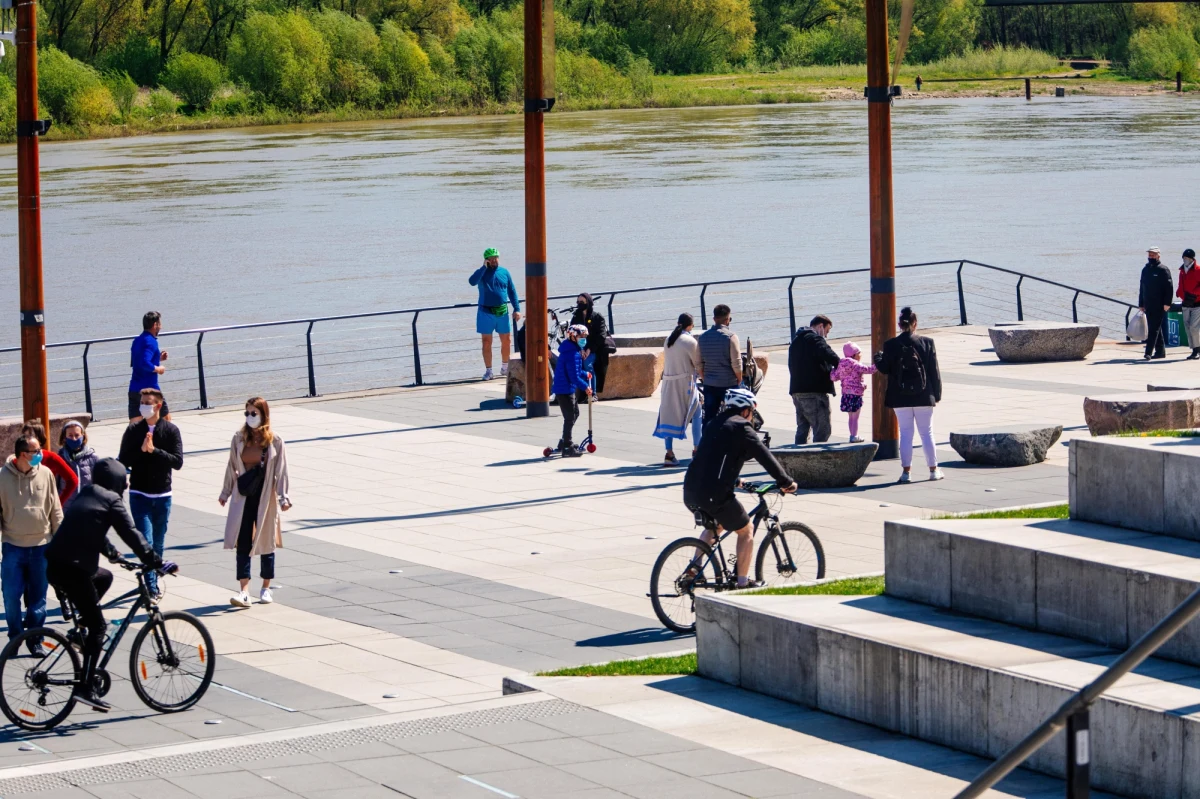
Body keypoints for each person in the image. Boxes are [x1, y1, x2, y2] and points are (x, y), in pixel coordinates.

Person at [45, 458, 174, 713]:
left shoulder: (89, 492)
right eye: (123, 482)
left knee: (104, 577)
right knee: (100, 626)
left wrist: (113, 554)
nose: (125, 487)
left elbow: (92, 528)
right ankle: (85, 688)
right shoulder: (112, 500)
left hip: (56, 566)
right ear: (117, 482)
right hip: (73, 569)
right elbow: (132, 534)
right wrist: (156, 562)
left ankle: (80, 632)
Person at [682, 388, 797, 588]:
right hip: (714, 494)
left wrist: (736, 481)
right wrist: (786, 481)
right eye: (752, 411)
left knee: (716, 525)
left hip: (691, 490)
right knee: (746, 530)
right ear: (745, 410)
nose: (752, 416)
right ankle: (742, 584)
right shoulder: (742, 428)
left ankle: (695, 567)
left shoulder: (714, 423)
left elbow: (716, 459)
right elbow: (765, 456)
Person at [220, 398, 292, 608]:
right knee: (243, 541)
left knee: (267, 541)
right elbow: (231, 465)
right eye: (247, 413)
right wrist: (225, 492)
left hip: (265, 496)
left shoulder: (275, 441)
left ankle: (266, 588)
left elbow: (282, 471)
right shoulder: (239, 438)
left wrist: (283, 497)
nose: (249, 417)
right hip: (242, 496)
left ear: (263, 415)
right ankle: (243, 591)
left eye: (253, 413)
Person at [118, 388, 183, 600]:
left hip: (163, 495)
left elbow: (177, 462)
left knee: (158, 542)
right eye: (142, 401)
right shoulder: (133, 430)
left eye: (148, 402)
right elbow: (123, 460)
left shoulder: (171, 430)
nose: (143, 405)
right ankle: (151, 588)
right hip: (139, 493)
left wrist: (154, 450)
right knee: (145, 541)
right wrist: (142, 450)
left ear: (158, 405)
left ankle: (153, 577)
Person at [0, 435, 62, 656]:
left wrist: (59, 542)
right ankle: (15, 637)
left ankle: (35, 639)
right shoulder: (2, 477)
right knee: (10, 597)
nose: (41, 454)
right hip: (13, 547)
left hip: (41, 546)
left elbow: (55, 509)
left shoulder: (45, 474)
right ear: (22, 454)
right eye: (36, 451)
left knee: (38, 599)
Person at [876, 307, 943, 483]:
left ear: (899, 325)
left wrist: (878, 358)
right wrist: (936, 395)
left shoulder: (890, 345)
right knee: (927, 433)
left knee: (905, 433)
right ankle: (933, 470)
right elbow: (934, 372)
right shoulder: (927, 343)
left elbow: (884, 369)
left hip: (900, 396)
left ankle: (906, 473)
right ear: (915, 324)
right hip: (923, 394)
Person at [654, 313, 703, 467]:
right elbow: (698, 364)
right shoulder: (689, 341)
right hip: (685, 384)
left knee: (669, 415)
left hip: (668, 383)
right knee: (697, 414)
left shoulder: (669, 339)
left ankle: (669, 454)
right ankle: (697, 450)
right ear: (691, 325)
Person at [469, 248, 521, 381]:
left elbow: (512, 290)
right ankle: (489, 371)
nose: (493, 261)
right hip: (485, 312)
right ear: (486, 260)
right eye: (490, 259)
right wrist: (483, 268)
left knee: (507, 340)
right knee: (486, 342)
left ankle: (504, 367)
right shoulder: (481, 272)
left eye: (495, 258)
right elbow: (472, 282)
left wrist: (517, 308)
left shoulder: (504, 272)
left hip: (502, 311)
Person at [788, 315, 841, 444]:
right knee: (822, 429)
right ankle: (818, 460)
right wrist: (843, 366)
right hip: (813, 393)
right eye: (827, 331)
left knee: (802, 429)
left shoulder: (796, 341)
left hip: (797, 391)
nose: (826, 336)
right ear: (820, 326)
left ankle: (798, 459)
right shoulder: (815, 339)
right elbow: (829, 354)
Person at [551, 324, 593, 458]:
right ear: (573, 337)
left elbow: (575, 371)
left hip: (565, 388)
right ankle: (567, 446)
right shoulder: (572, 353)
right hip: (564, 390)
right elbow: (573, 376)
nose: (584, 339)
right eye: (581, 337)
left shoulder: (572, 350)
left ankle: (564, 441)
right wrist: (585, 387)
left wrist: (585, 374)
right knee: (570, 417)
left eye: (585, 337)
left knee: (574, 414)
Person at [697, 305, 742, 424]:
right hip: (728, 383)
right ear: (727, 319)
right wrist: (739, 379)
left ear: (714, 319)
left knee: (709, 418)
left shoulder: (702, 337)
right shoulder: (731, 337)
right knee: (735, 416)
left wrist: (704, 378)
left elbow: (698, 363)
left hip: (710, 384)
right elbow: (736, 362)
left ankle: (706, 441)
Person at [21, 421, 78, 507]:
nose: (27, 441)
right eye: (25, 437)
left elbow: (73, 480)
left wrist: (58, 503)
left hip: (44, 507)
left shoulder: (51, 458)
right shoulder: (19, 457)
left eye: (31, 437)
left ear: (40, 439)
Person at [832, 342, 877, 443]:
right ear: (854, 354)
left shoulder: (841, 365)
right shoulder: (856, 364)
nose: (861, 355)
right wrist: (879, 363)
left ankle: (852, 435)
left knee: (851, 417)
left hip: (846, 394)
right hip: (856, 394)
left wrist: (832, 370)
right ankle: (854, 436)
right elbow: (869, 370)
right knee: (856, 417)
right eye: (859, 353)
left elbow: (834, 377)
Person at [129, 311, 170, 420]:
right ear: (155, 325)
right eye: (159, 324)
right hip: (151, 391)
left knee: (134, 427)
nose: (161, 327)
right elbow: (144, 363)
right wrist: (158, 369)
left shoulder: (137, 341)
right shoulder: (151, 341)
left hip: (134, 389)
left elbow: (136, 362)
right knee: (166, 420)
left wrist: (158, 358)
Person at [570, 293, 613, 395]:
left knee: (587, 364)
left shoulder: (597, 317)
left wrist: (589, 349)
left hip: (594, 349)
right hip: (579, 348)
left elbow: (601, 336)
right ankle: (574, 393)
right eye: (578, 302)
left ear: (588, 303)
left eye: (582, 302)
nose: (579, 304)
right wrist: (580, 349)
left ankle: (592, 394)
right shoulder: (576, 316)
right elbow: (571, 333)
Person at [1140, 246, 1174, 361]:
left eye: (1153, 255)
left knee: (1153, 328)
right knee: (1156, 328)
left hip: (1160, 305)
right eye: (1150, 255)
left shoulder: (1163, 269)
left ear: (1158, 255)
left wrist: (1167, 303)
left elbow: (1169, 288)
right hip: (1148, 304)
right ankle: (1160, 352)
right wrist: (1141, 303)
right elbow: (1142, 287)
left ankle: (1148, 352)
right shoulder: (1145, 269)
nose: (1151, 256)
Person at [57, 421, 98, 503]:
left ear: (83, 436)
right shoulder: (59, 458)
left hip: (86, 506)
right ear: (64, 437)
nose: (74, 439)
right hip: (65, 508)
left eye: (77, 435)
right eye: (70, 435)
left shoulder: (92, 457)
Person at [1178, 248, 1200, 360]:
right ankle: (1194, 349)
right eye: (1184, 258)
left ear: (1192, 259)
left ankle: (1197, 349)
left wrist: (1194, 293)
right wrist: (1179, 293)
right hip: (1185, 303)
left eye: (1187, 258)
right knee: (1187, 327)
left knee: (1194, 328)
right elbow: (1180, 284)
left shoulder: (1198, 270)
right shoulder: (1182, 271)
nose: (1185, 260)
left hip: (1197, 303)